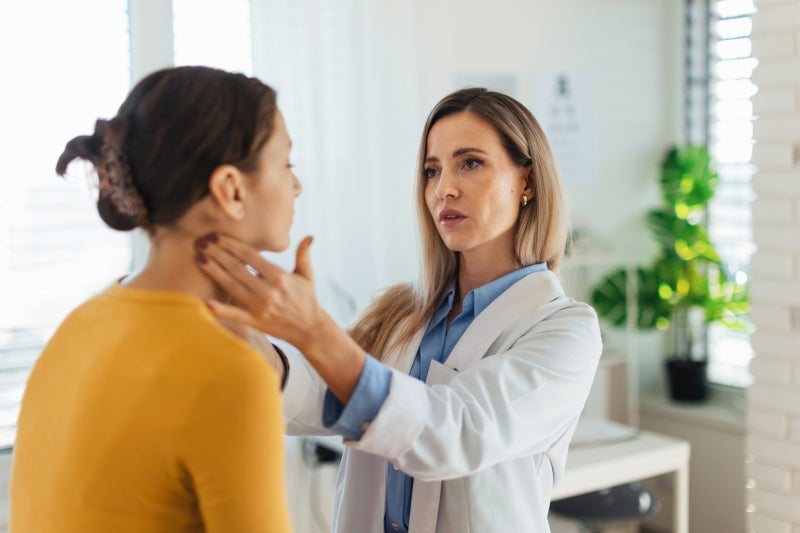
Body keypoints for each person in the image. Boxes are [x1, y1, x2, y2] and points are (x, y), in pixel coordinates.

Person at [196, 87, 602, 532]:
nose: (444, 189)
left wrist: (314, 331)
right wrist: (242, 328)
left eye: (470, 163)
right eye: (432, 170)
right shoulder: (403, 311)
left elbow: (454, 432)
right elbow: (329, 394)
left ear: (527, 181)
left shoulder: (565, 330)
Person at [9, 66, 298, 533]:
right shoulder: (228, 375)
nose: (296, 187)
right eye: (287, 164)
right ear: (231, 189)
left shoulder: (79, 324)